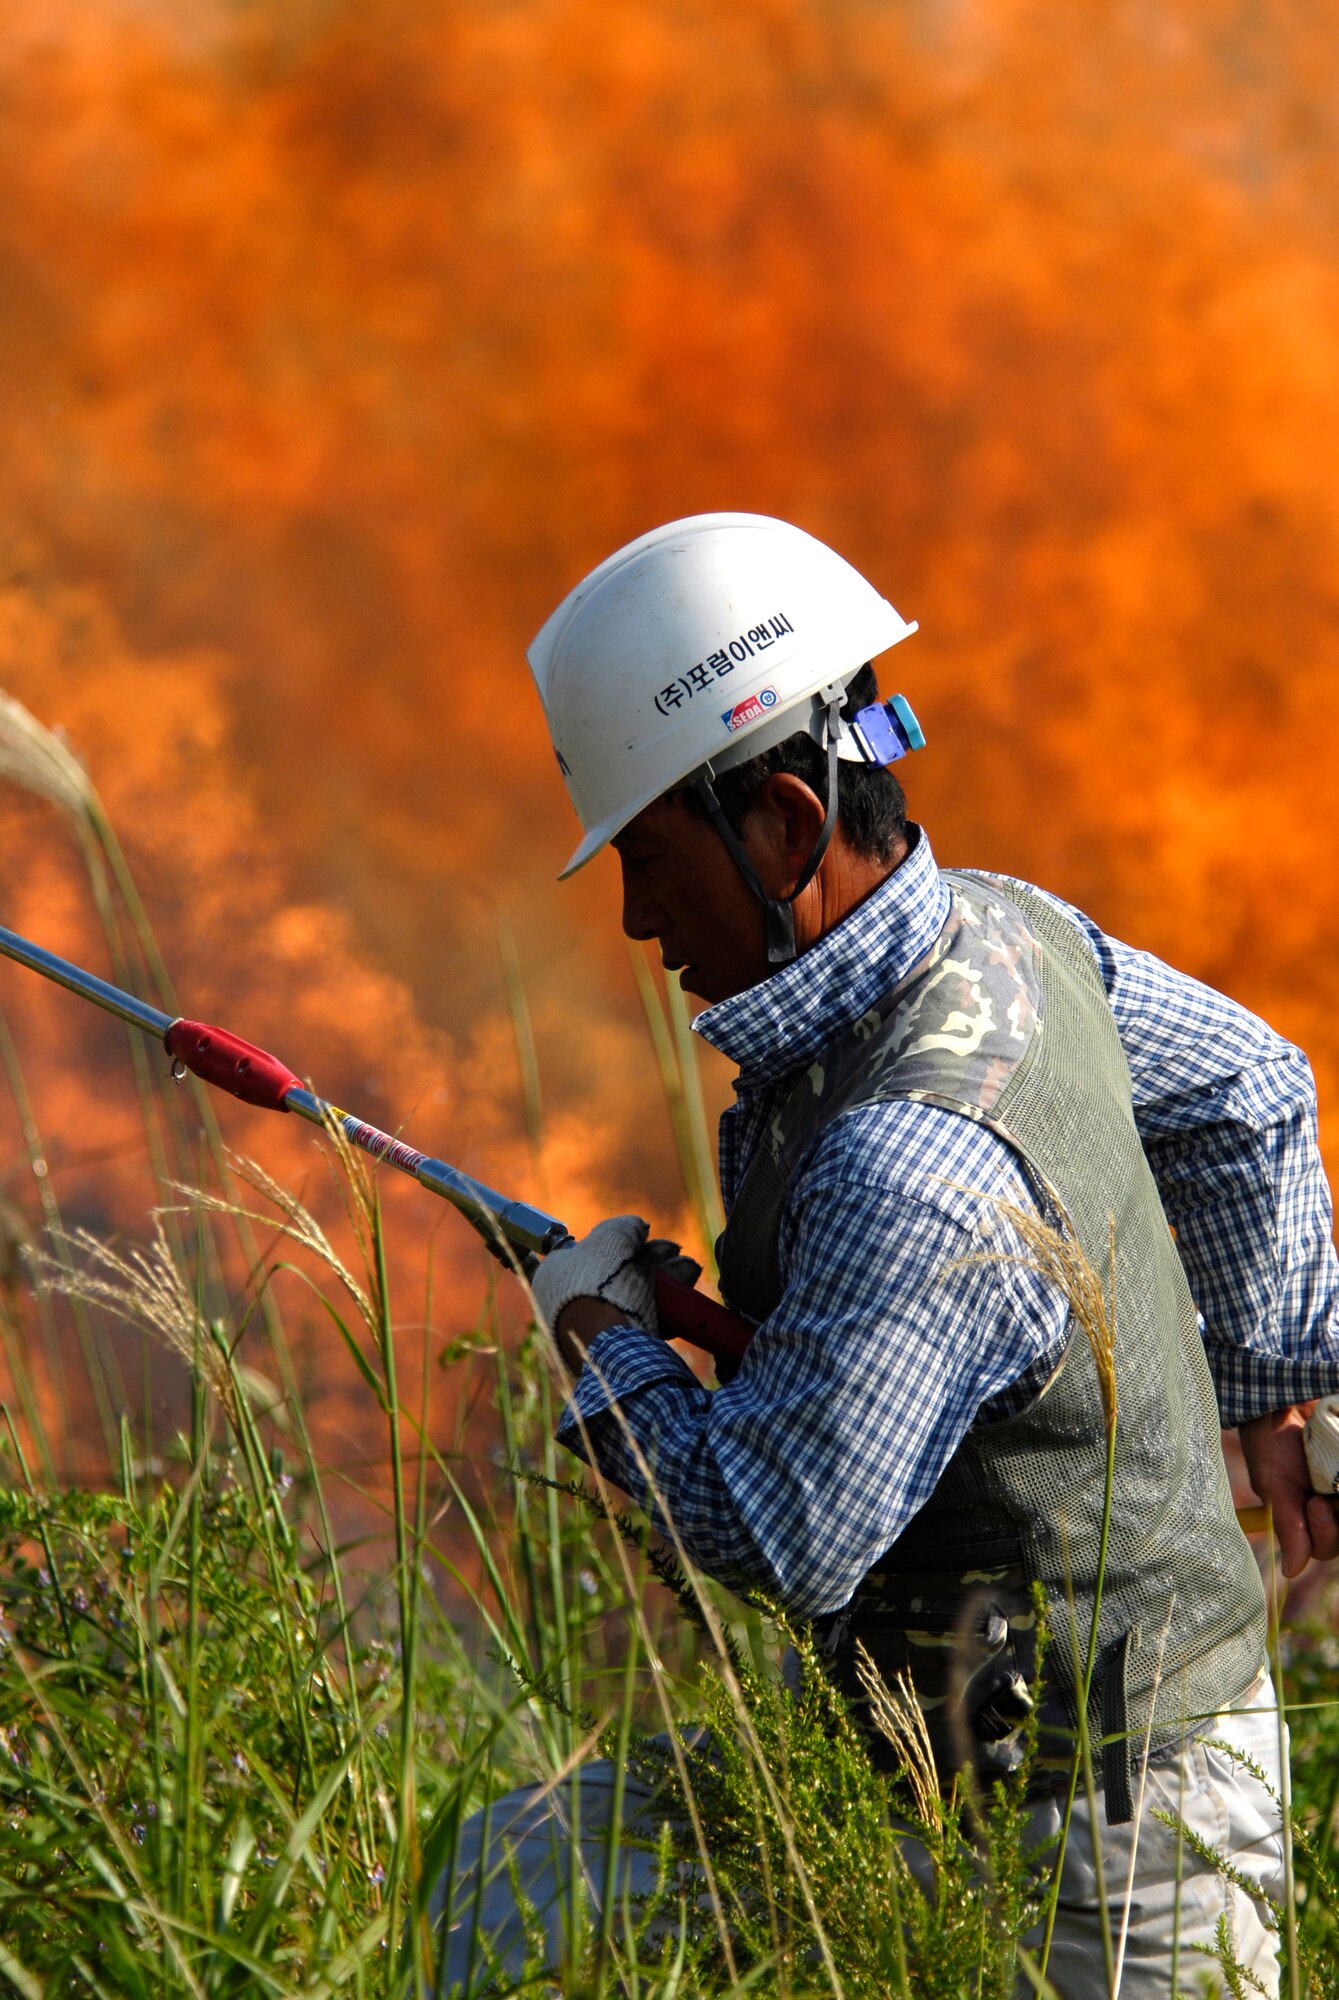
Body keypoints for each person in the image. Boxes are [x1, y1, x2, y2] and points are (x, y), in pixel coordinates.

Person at [435, 513, 1339, 1996]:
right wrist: (1277, 1387)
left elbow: (781, 1530)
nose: (635, 917)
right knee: (509, 1880)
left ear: (786, 824)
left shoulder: (900, 1159)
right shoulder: (1013, 932)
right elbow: (1253, 1090)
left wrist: (606, 1346)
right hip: (946, 1767)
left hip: (1103, 1862)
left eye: (653, 860)